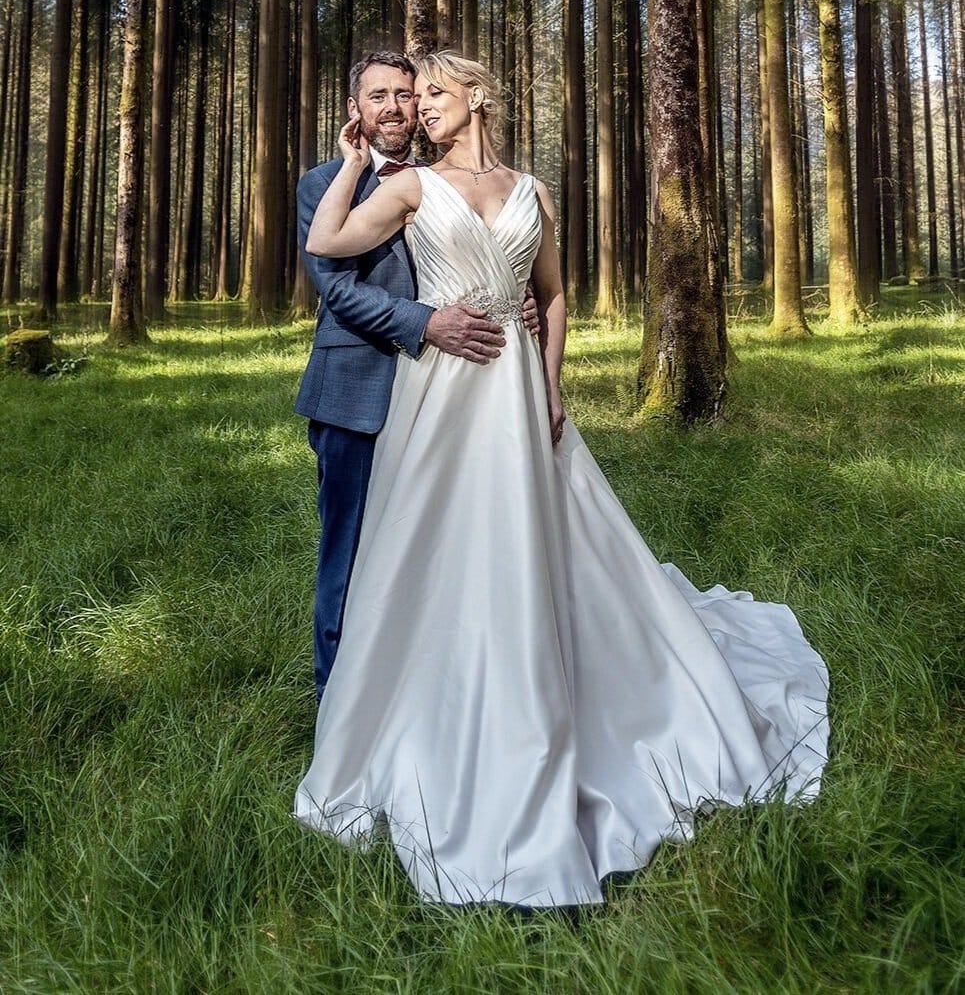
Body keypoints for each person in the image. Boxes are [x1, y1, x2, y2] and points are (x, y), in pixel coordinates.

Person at [293, 51, 829, 907]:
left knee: (537, 543)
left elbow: (550, 296)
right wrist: (356, 161)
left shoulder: (531, 190)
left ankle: (579, 691)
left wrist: (551, 384)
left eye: (431, 92)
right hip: (435, 392)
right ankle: (374, 710)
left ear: (476, 97)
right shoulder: (400, 186)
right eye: (404, 95)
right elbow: (324, 246)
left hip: (514, 391)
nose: (418, 108)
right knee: (413, 551)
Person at [295, 51, 532, 702]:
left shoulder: (441, 180)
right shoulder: (323, 183)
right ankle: (336, 705)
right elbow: (336, 286)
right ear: (355, 109)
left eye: (407, 94)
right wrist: (426, 322)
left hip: (455, 396)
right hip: (358, 393)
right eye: (379, 95)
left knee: (440, 550)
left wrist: (513, 295)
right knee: (350, 551)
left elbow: (479, 260)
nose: (397, 106)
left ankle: (429, 697)